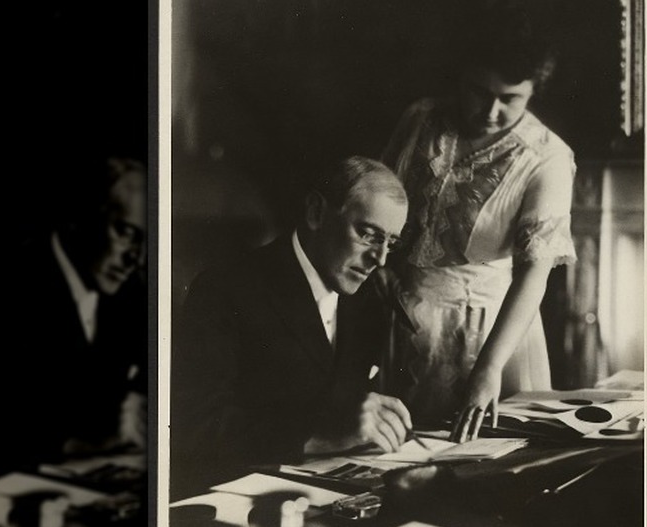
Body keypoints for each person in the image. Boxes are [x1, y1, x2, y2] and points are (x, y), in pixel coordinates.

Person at [381, 1, 575, 442]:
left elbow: (533, 275)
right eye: (478, 91)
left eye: (510, 99)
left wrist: (489, 371)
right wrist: (381, 269)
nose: (490, 111)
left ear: (533, 91)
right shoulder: (421, 119)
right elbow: (379, 201)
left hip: (486, 333)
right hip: (399, 316)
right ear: (460, 76)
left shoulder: (547, 158)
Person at [171, 156, 414, 497]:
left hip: (333, 494)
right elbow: (192, 426)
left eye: (392, 242)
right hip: (241, 501)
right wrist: (322, 435)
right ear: (316, 212)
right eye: (368, 234)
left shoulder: (368, 297)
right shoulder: (225, 288)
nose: (381, 259)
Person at [0, 156, 148, 494]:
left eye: (146, 242)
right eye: (125, 233)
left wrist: (138, 401)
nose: (135, 259)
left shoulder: (128, 294)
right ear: (80, 217)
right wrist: (81, 443)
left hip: (85, 489)